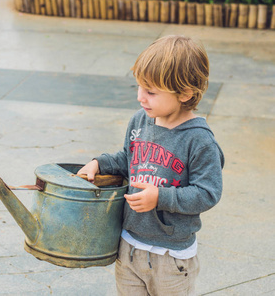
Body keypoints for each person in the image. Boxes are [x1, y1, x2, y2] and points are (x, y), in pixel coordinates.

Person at [77, 35, 224, 296]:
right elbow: (128, 159)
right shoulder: (140, 121)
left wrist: (161, 197)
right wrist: (99, 163)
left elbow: (208, 193)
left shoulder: (199, 140)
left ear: (185, 94)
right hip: (129, 247)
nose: (140, 98)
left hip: (172, 257)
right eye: (139, 87)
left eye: (151, 92)